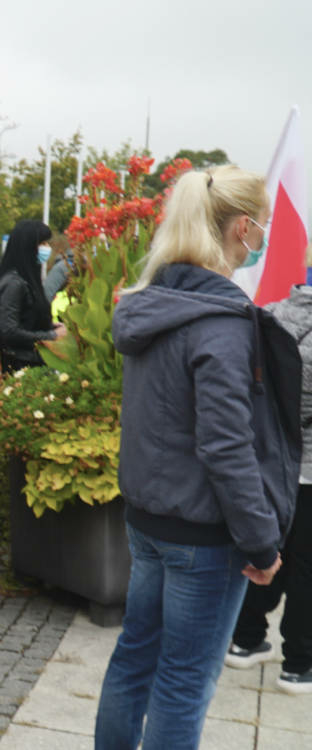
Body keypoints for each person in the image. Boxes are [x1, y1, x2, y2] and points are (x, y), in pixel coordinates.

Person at [95, 165, 300, 749]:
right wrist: (262, 543)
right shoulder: (221, 323)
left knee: (134, 658)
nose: (262, 236)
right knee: (184, 680)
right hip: (204, 538)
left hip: (148, 522)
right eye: (261, 225)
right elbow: (226, 445)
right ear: (242, 228)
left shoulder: (153, 303)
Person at [223, 243, 312, 694]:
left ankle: (245, 639)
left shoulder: (270, 315)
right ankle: (299, 663)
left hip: (273, 463)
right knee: (308, 568)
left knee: (269, 553)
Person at [0, 219, 66, 373]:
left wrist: (47, 325)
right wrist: (51, 335)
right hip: (21, 364)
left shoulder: (28, 278)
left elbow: (27, 318)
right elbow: (9, 331)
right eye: (42, 244)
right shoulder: (14, 283)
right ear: (28, 247)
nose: (47, 248)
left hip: (33, 361)